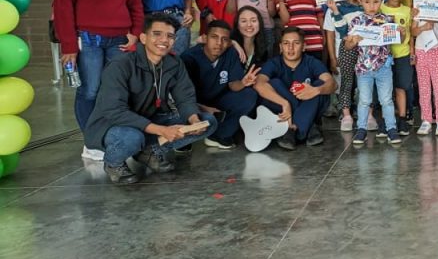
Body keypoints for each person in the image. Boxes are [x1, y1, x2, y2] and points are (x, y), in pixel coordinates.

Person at [85, 13, 218, 184]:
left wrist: (193, 120)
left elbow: (185, 97)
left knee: (208, 121)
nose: (164, 40)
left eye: (170, 36)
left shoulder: (174, 63)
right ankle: (113, 163)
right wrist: (162, 130)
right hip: (112, 125)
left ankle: (147, 151)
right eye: (157, 34)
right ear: (143, 37)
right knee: (132, 138)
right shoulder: (121, 65)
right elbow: (114, 111)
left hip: (148, 119)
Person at [52, 0, 144, 150]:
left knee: (116, 91)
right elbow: (62, 8)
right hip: (89, 41)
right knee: (90, 90)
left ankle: (113, 138)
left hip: (120, 41)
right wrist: (69, 47)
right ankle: (92, 142)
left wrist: (135, 33)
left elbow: (136, 5)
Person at [181, 20, 259, 150]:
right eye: (214, 37)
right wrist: (202, 108)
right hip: (194, 104)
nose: (219, 43)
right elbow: (180, 96)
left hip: (219, 100)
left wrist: (243, 83)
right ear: (205, 38)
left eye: (224, 39)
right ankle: (186, 140)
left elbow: (233, 84)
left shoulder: (230, 54)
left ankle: (219, 135)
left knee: (249, 95)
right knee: (182, 111)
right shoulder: (189, 57)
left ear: (229, 42)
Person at [254, 27, 335, 149]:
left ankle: (292, 130)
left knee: (319, 85)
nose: (290, 48)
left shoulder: (311, 62)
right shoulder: (274, 63)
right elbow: (258, 84)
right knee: (274, 83)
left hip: (307, 105)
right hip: (283, 111)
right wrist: (285, 103)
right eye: (286, 43)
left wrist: (316, 90)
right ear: (281, 47)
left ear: (303, 47)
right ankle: (309, 126)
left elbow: (332, 84)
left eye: (296, 43)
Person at [345, 0, 401, 146]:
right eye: (367, 1)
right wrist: (353, 41)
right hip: (363, 68)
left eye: (376, 1)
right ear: (360, 1)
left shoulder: (387, 20)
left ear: (381, 1)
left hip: (383, 66)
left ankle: (391, 129)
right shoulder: (356, 22)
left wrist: (401, 33)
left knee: (386, 100)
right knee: (364, 100)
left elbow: (399, 40)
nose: (371, 5)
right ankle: (361, 129)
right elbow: (348, 45)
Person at [323, 0, 364, 130]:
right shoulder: (334, 7)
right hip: (342, 51)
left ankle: (360, 110)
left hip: (362, 53)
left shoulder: (363, 5)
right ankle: (344, 111)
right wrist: (333, 58)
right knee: (343, 83)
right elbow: (330, 34)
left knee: (361, 83)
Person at [410, 0, 438, 136]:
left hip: (437, 49)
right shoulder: (416, 9)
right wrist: (422, 27)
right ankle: (426, 119)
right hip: (421, 50)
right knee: (424, 87)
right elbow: (412, 31)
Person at [381, 0, 413, 135]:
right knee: (385, 90)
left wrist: (412, 52)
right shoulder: (379, 8)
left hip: (402, 54)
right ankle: (387, 120)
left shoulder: (408, 11)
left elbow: (411, 34)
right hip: (383, 57)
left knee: (401, 87)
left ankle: (402, 119)